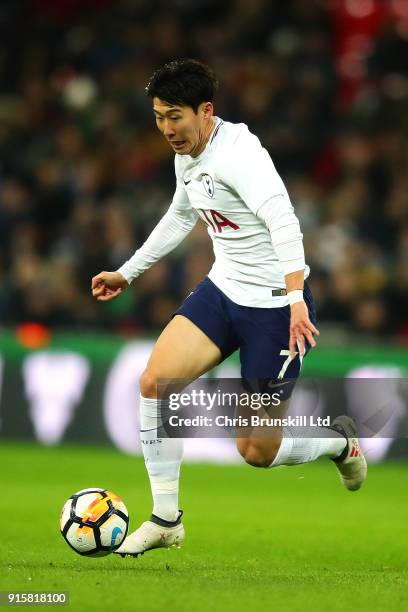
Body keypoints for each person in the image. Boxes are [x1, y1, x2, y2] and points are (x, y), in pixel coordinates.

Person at [91, 59, 367, 558]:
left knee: (256, 452)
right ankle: (166, 519)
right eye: (158, 116)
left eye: (175, 116)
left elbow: (285, 223)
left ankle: (338, 443)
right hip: (224, 292)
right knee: (155, 383)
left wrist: (297, 302)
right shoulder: (189, 155)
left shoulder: (241, 156)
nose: (167, 129)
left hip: (275, 311)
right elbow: (180, 216)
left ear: (206, 111)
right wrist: (128, 272)